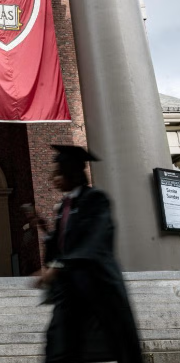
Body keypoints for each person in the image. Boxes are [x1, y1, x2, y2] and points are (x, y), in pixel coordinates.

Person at [32, 145, 142, 363]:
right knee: (58, 344)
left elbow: (93, 240)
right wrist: (43, 228)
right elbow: (62, 244)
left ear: (71, 172)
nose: (53, 179)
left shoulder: (95, 199)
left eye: (58, 173)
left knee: (121, 343)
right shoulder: (65, 206)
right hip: (71, 288)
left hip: (98, 283)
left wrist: (58, 267)